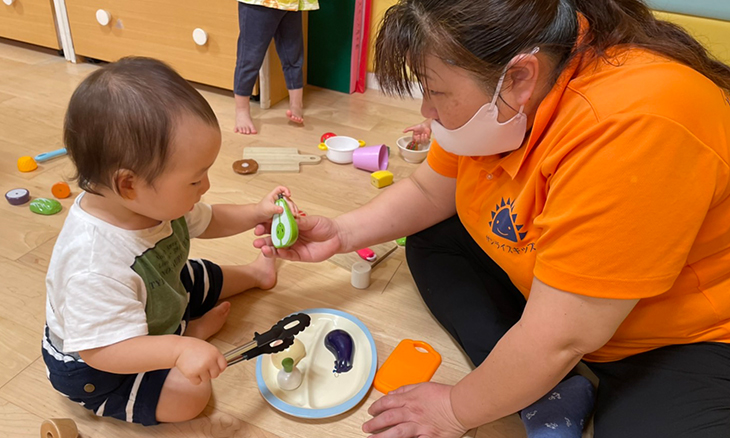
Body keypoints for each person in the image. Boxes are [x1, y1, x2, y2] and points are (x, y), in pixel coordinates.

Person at [254, 1, 730, 437]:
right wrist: (341, 233)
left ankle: (535, 379)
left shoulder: (634, 127)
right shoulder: (507, 72)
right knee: (431, 237)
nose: (427, 110)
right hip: (562, 293)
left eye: (436, 92)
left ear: (521, 77)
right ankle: (543, 385)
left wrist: (455, 409)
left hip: (679, 338)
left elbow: (562, 336)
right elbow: (427, 190)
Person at [42, 57, 295, 426]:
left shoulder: (154, 201)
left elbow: (210, 220)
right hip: (101, 368)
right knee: (192, 394)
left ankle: (257, 275)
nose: (205, 187)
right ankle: (182, 332)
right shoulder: (94, 266)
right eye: (195, 180)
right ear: (128, 184)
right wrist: (179, 349)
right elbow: (101, 350)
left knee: (192, 274)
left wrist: (257, 212)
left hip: (154, 295)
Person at [234, 0, 319, 134]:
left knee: (293, 54)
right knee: (250, 57)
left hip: (291, 3)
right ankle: (241, 110)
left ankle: (296, 104)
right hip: (259, 4)